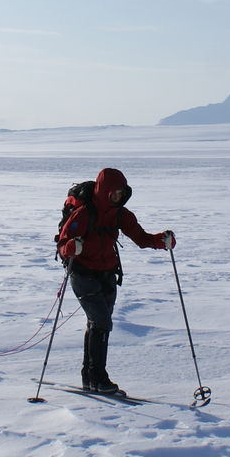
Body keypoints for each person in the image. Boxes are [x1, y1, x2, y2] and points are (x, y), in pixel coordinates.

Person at [54, 167, 175, 394]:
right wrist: (71, 247)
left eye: (122, 193)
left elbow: (140, 238)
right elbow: (63, 244)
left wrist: (162, 241)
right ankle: (99, 378)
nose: (118, 197)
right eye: (114, 193)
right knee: (101, 322)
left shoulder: (121, 214)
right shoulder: (84, 214)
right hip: (82, 273)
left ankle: (90, 377)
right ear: (104, 191)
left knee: (98, 324)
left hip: (107, 273)